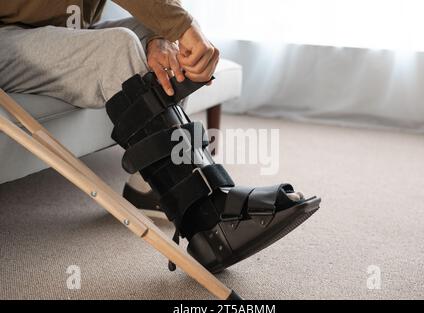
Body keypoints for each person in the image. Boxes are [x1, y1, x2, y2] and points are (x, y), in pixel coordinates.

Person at [0, 0, 320, 273]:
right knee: (120, 45)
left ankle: (153, 189)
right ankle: (202, 219)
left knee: (156, 35)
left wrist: (160, 33)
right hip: (6, 38)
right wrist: (181, 25)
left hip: (63, 30)